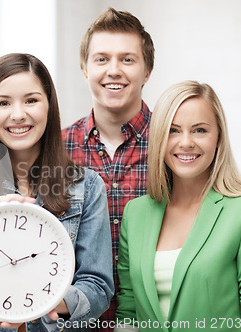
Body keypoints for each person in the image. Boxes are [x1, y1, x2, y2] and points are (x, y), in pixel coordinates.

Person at [0, 53, 114, 331]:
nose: (18, 114)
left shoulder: (88, 186)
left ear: (49, 106)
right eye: (3, 103)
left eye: (31, 100)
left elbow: (98, 290)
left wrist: (35, 302)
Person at [115, 81, 241, 331]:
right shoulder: (136, 213)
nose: (186, 142)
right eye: (173, 130)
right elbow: (128, 309)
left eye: (199, 130)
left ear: (218, 137)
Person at [61, 7, 154, 331]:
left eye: (127, 59)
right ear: (85, 69)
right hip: (75, 323)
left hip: (152, 319)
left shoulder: (172, 148)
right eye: (101, 59)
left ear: (147, 70)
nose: (113, 70)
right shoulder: (56, 150)